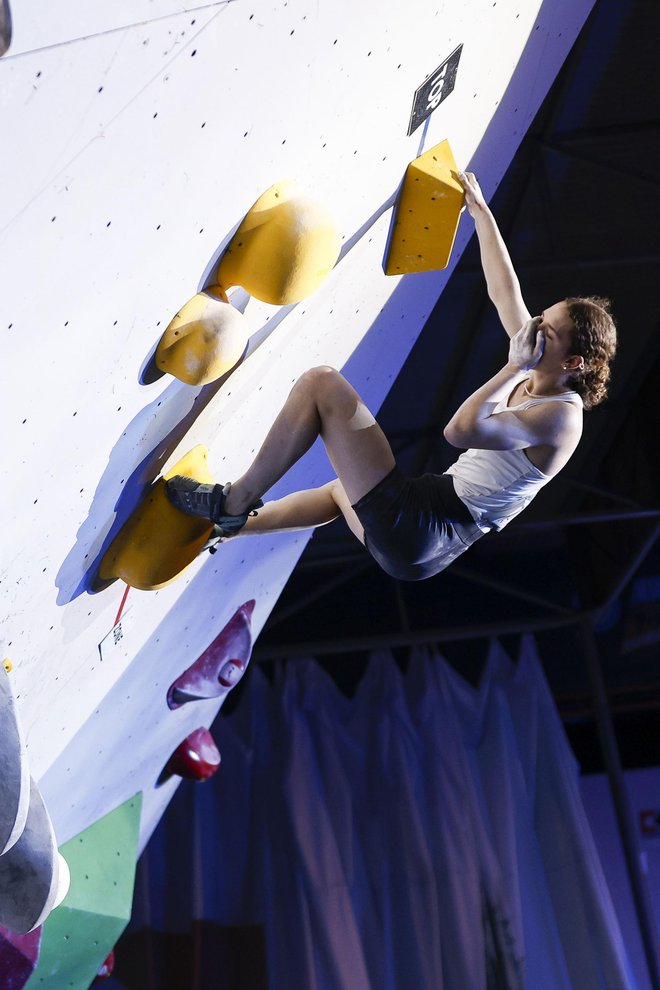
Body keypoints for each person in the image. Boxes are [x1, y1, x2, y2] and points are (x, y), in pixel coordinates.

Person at [166, 171, 617, 581]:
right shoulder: (539, 359)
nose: (534, 327)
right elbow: (505, 292)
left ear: (573, 363)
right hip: (426, 539)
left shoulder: (561, 419)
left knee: (321, 385)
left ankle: (233, 501)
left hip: (430, 526)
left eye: (548, 330)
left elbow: (458, 432)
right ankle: (224, 531)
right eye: (542, 316)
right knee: (340, 493)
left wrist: (513, 367)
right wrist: (482, 215)